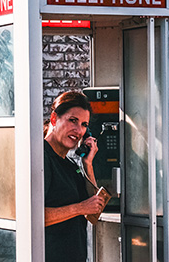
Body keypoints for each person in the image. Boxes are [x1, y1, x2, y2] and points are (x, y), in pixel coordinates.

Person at [44, 91, 105, 262]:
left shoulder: (70, 164)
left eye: (84, 124)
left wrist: (88, 164)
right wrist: (79, 208)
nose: (79, 130)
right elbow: (32, 216)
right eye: (73, 120)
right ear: (54, 119)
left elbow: (94, 211)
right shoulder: (41, 159)